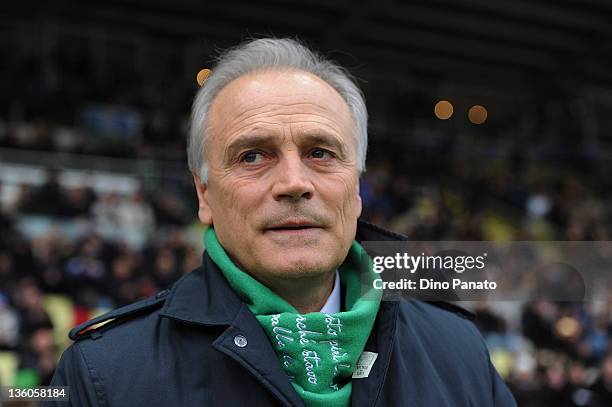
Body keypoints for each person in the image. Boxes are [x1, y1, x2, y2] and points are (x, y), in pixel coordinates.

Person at [48, 38, 517, 406]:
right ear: (204, 193)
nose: (294, 182)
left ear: (355, 189)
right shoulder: (101, 374)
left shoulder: (459, 351)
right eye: (253, 156)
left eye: (320, 153)